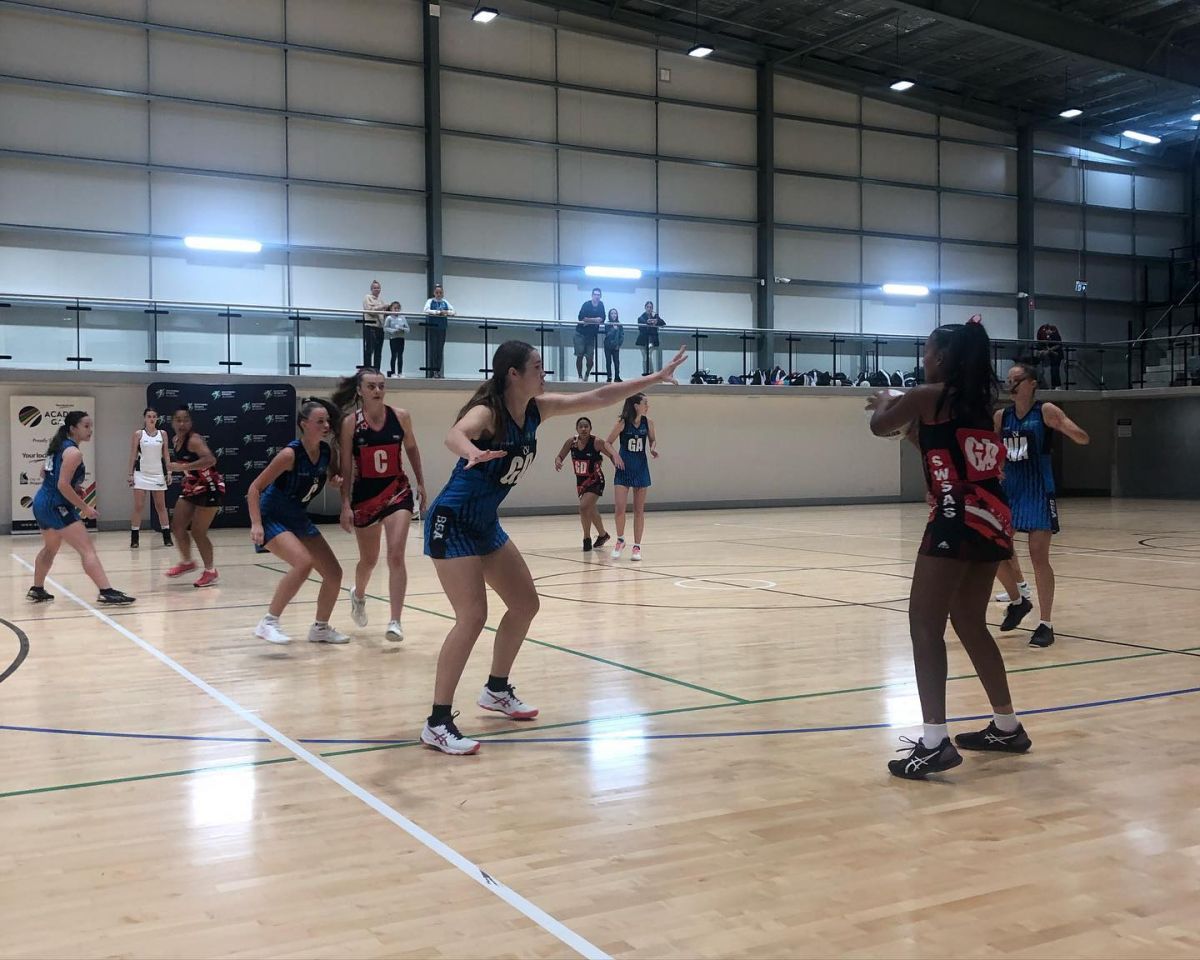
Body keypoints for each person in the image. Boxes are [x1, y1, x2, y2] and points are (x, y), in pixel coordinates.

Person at [420, 339, 688, 755]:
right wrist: (471, 451)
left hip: (484, 523)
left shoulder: (536, 409)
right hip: (452, 521)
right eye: (538, 365)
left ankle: (495, 690)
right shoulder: (488, 411)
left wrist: (653, 378)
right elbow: (455, 433)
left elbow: (598, 396)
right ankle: (437, 722)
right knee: (473, 616)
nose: (544, 372)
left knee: (525, 604)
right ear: (514, 373)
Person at [867, 319, 1030, 780]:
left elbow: (880, 426)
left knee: (924, 625)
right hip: (993, 516)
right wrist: (910, 425)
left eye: (928, 350)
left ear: (941, 358)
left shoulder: (926, 395)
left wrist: (884, 401)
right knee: (969, 622)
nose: (923, 357)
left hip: (957, 515)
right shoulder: (979, 403)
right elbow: (929, 441)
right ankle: (1006, 725)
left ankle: (935, 741)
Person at [994, 362, 1090, 648]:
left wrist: (1068, 429)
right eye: (1008, 378)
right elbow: (995, 452)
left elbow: (1083, 437)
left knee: (1038, 557)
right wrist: (996, 468)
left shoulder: (1045, 411)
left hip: (1037, 491)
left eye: (1016, 378)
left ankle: (1046, 624)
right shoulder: (1002, 416)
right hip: (1009, 491)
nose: (1010, 382)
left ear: (1031, 382)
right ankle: (1019, 599)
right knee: (994, 550)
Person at [334, 367, 427, 641]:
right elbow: (347, 466)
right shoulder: (351, 423)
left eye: (381, 386)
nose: (377, 390)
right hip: (365, 496)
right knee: (369, 560)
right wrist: (345, 504)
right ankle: (358, 594)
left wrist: (420, 482)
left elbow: (411, 448)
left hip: (397, 490)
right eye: (372, 386)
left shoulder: (400, 417)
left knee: (396, 555)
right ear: (360, 390)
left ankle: (395, 621)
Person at [247, 398, 348, 645]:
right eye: (319, 421)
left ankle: (320, 629)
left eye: (327, 421)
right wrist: (256, 523)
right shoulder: (289, 454)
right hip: (272, 515)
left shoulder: (326, 452)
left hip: (297, 516)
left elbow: (333, 477)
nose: (326, 426)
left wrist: (335, 483)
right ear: (304, 424)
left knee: (334, 573)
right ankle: (268, 622)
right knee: (303, 563)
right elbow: (254, 488)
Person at [26, 411, 135, 605]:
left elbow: (44, 473)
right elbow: (62, 485)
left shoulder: (57, 446)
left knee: (50, 548)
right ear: (72, 428)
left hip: (42, 501)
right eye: (86, 426)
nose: (90, 430)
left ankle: (37, 588)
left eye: (91, 426)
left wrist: (74, 489)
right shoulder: (74, 452)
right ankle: (106, 591)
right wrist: (85, 507)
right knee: (87, 550)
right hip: (56, 505)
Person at [165, 404, 224, 588]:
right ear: (173, 422)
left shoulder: (194, 440)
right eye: (178, 420)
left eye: (185, 420)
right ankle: (187, 562)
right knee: (177, 526)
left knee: (198, 532)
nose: (182, 424)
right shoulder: (175, 440)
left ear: (191, 422)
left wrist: (182, 468)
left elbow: (210, 460)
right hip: (193, 487)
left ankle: (211, 571)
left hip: (210, 487)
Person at [605, 393, 656, 562]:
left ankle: (637, 546)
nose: (647, 406)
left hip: (640, 468)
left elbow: (652, 440)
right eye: (645, 403)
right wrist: (615, 456)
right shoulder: (622, 422)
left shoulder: (648, 423)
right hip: (624, 468)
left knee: (639, 510)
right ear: (636, 405)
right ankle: (620, 540)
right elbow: (607, 443)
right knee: (620, 508)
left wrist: (653, 448)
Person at [553, 416, 612, 552]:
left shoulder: (596, 442)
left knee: (584, 507)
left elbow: (612, 455)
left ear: (591, 428)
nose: (584, 429)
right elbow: (560, 456)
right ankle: (603, 535)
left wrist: (619, 466)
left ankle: (586, 538)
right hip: (581, 482)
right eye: (581, 426)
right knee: (590, 509)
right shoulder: (571, 442)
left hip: (596, 479)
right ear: (577, 429)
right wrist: (558, 461)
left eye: (586, 426)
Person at [126, 406, 172, 549]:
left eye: (154, 416)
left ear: (157, 418)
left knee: (161, 506)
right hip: (141, 474)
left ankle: (167, 537)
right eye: (149, 416)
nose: (151, 419)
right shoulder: (138, 434)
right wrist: (130, 474)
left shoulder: (163, 434)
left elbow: (166, 455)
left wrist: (169, 472)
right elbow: (133, 455)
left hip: (157, 474)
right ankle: (134, 538)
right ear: (144, 418)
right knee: (139, 506)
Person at [422, 284, 455, 379]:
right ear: (434, 293)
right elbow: (426, 310)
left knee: (440, 350)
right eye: (437, 292)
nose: (439, 294)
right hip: (433, 328)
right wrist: (437, 312)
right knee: (433, 350)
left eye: (440, 292)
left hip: (442, 328)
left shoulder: (445, 302)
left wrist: (446, 312)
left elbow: (453, 311)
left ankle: (438, 371)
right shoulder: (430, 301)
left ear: (443, 293)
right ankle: (433, 371)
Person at [575, 288, 605, 381]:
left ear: (600, 296)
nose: (597, 296)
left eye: (598, 295)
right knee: (579, 355)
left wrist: (590, 320)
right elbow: (582, 318)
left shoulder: (601, 305)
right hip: (580, 333)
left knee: (590, 358)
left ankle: (586, 374)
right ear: (592, 295)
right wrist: (595, 320)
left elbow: (602, 318)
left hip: (591, 335)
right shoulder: (586, 304)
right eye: (595, 294)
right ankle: (579, 376)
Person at [362, 279, 386, 372]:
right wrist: (381, 307)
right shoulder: (367, 297)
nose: (377, 289)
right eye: (375, 288)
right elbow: (370, 310)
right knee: (369, 350)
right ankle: (367, 370)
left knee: (378, 351)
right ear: (371, 289)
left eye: (378, 288)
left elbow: (383, 313)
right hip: (371, 326)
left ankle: (377, 371)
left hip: (380, 327)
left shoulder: (381, 300)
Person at [636, 300, 666, 376]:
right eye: (648, 307)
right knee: (644, 358)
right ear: (645, 308)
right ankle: (646, 373)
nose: (649, 309)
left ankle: (651, 374)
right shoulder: (641, 317)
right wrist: (647, 322)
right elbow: (641, 328)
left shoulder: (655, 316)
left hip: (651, 340)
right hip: (642, 341)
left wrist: (656, 321)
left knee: (648, 356)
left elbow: (663, 323)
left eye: (651, 307)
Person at [383, 300, 408, 378]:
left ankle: (400, 372)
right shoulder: (389, 318)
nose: (396, 310)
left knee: (400, 355)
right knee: (394, 355)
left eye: (398, 308)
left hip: (401, 338)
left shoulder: (402, 317)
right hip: (393, 338)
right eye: (395, 308)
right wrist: (393, 331)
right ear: (391, 309)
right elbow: (385, 328)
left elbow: (408, 329)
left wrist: (403, 329)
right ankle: (393, 372)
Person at [1036, 320, 1064, 389]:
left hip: (1057, 355)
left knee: (1055, 370)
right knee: (1053, 370)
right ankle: (1054, 385)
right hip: (1053, 355)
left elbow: (1058, 345)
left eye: (1046, 331)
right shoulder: (1049, 337)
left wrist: (1048, 350)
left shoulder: (1055, 335)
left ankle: (1057, 386)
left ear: (1049, 329)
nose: (1046, 333)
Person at [603, 308, 624, 382]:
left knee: (617, 362)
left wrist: (619, 344)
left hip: (616, 346)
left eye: (615, 313)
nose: (614, 315)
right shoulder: (607, 324)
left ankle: (617, 377)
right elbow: (607, 335)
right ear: (609, 315)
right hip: (607, 346)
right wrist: (613, 329)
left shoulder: (619, 324)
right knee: (608, 362)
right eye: (612, 313)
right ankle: (609, 377)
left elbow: (622, 336)